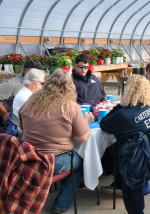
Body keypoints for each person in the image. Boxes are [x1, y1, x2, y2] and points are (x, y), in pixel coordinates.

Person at [18, 69, 94, 214]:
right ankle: (61, 205)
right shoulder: (70, 106)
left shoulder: (30, 101)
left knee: (73, 158)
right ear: (70, 87)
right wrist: (86, 121)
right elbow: (82, 138)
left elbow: (21, 127)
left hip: (28, 157)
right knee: (81, 161)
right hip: (54, 160)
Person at [100, 75, 150, 214]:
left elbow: (104, 125)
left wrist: (119, 105)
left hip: (132, 157)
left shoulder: (123, 115)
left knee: (106, 153)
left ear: (129, 91)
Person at [4, 68, 45, 136]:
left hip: (24, 128)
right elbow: (39, 119)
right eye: (42, 83)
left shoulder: (25, 92)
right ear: (34, 83)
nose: (43, 86)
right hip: (24, 133)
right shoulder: (26, 98)